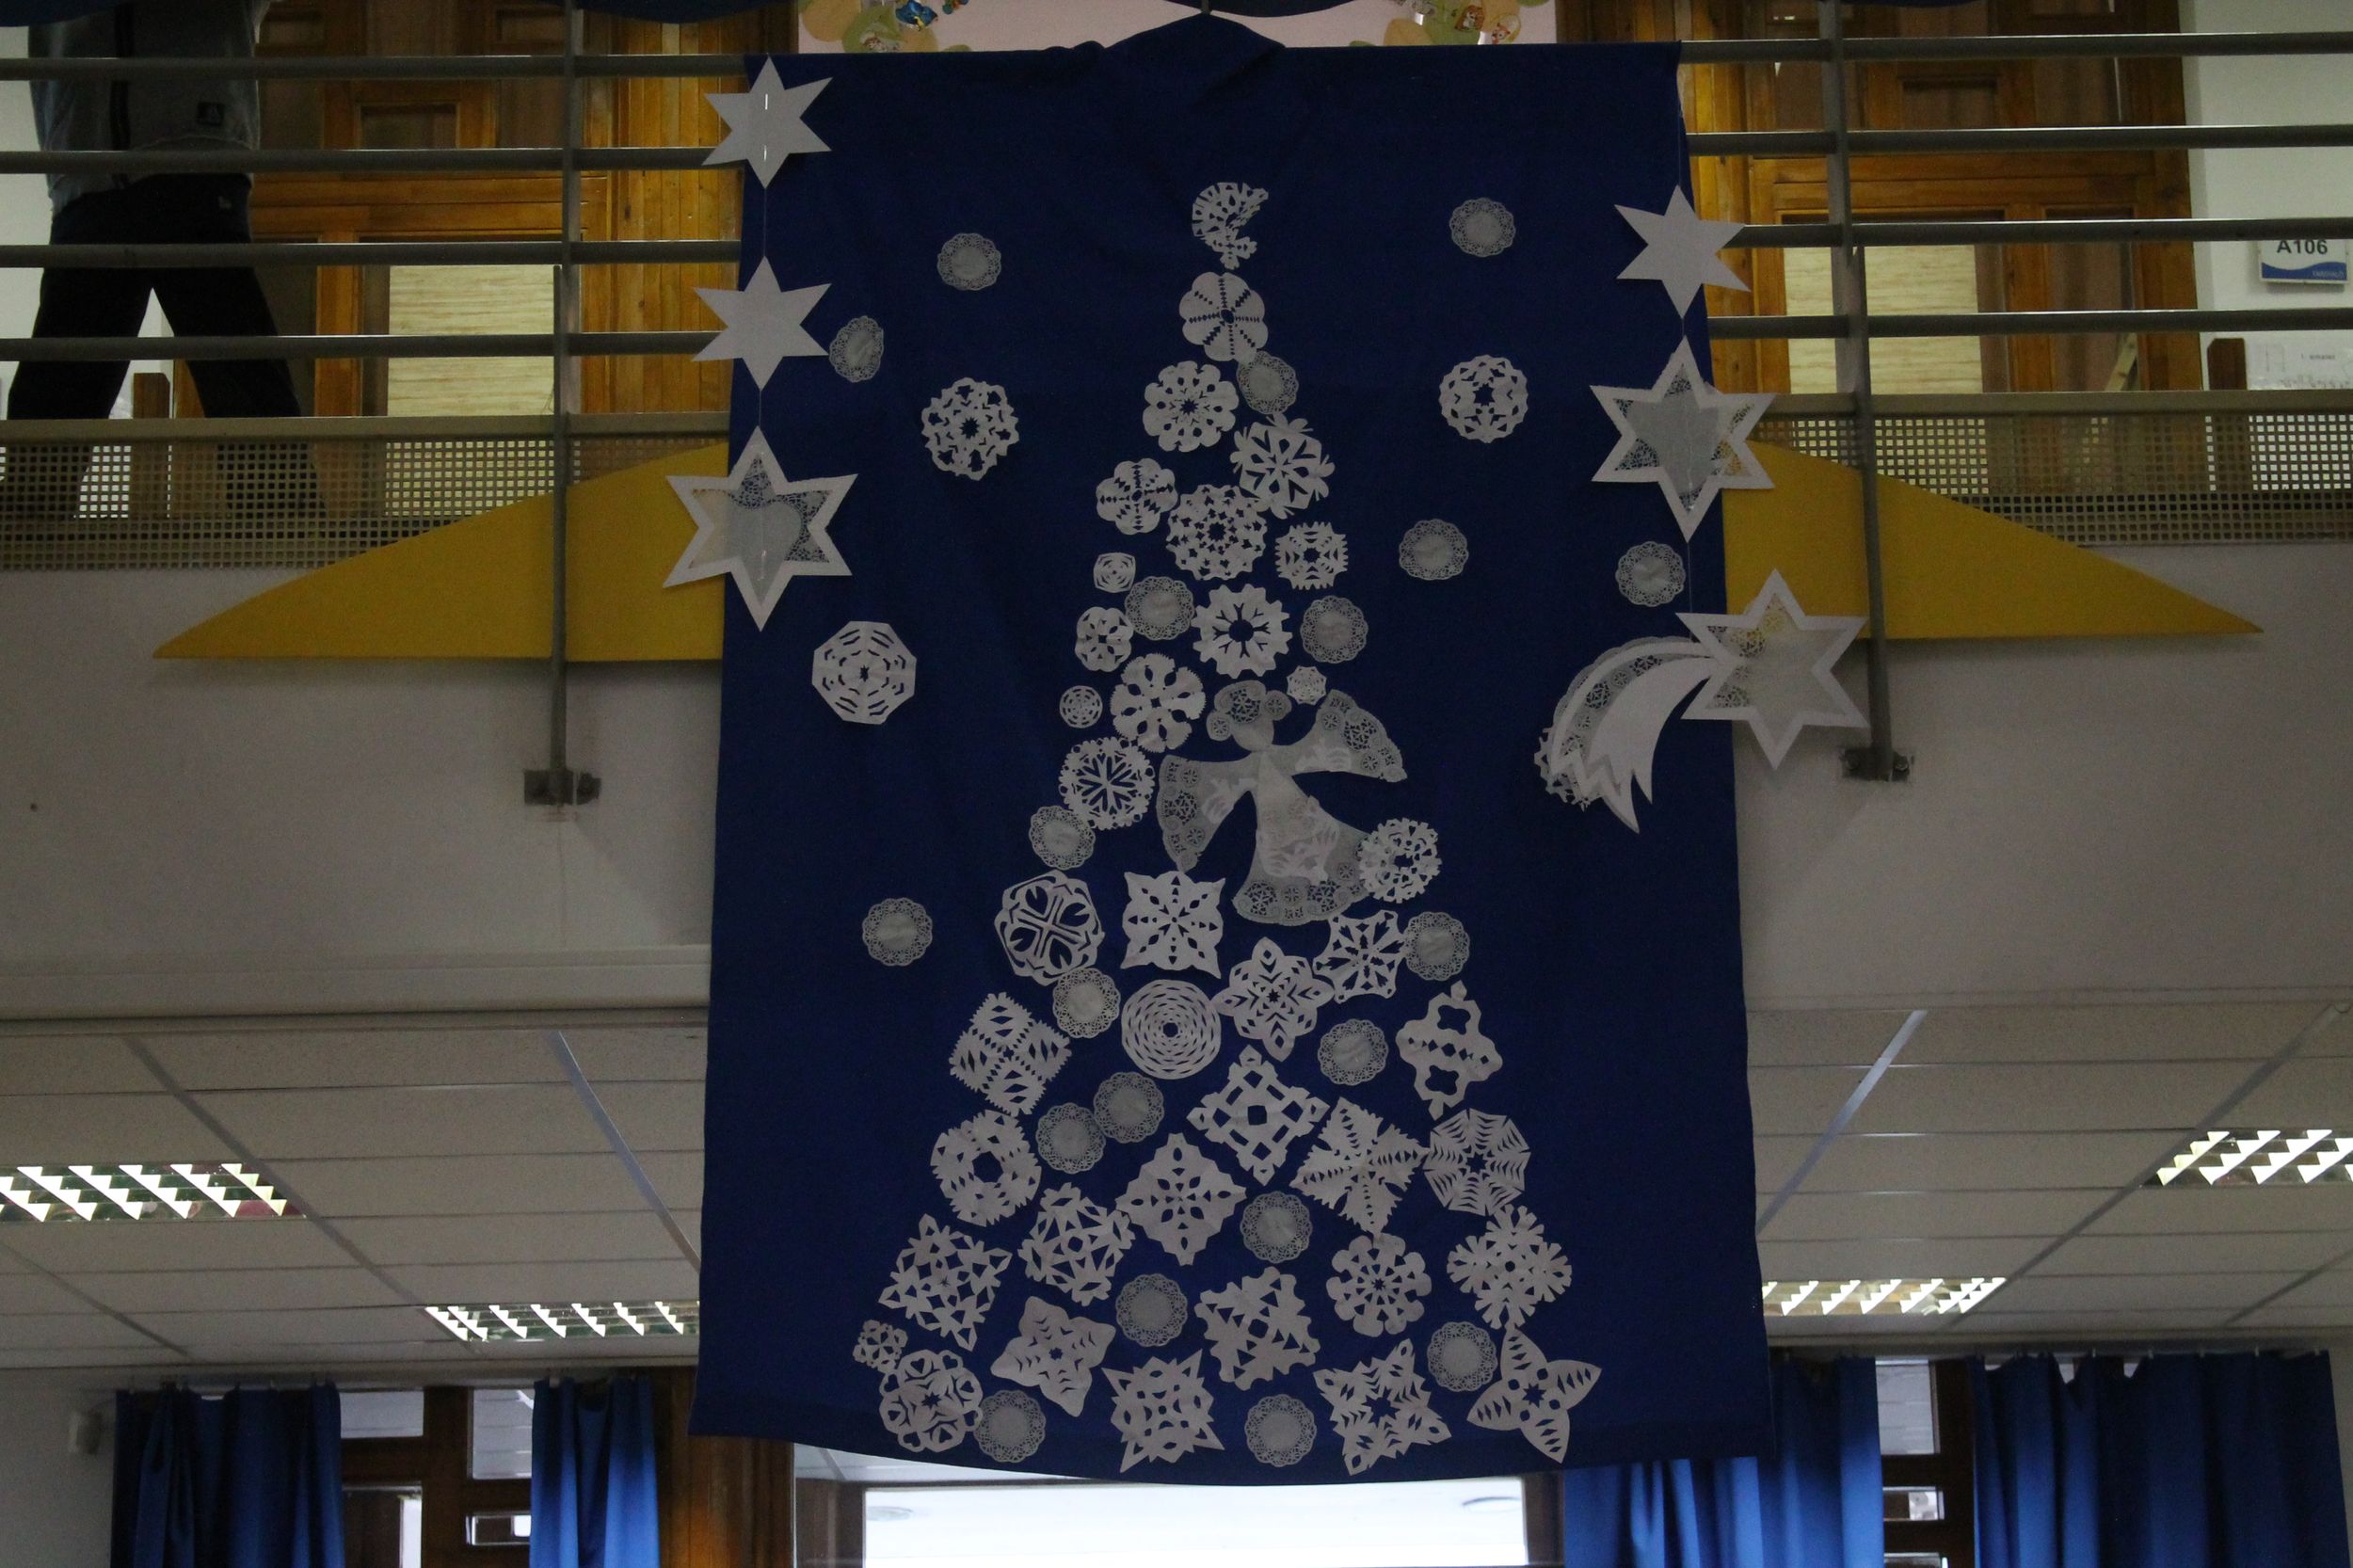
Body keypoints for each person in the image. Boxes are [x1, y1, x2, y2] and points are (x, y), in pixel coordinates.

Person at [6, 1, 300, 518]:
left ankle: (287, 523)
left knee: (238, 367)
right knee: (57, 384)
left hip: (188, 151)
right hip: (89, 167)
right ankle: (26, 529)